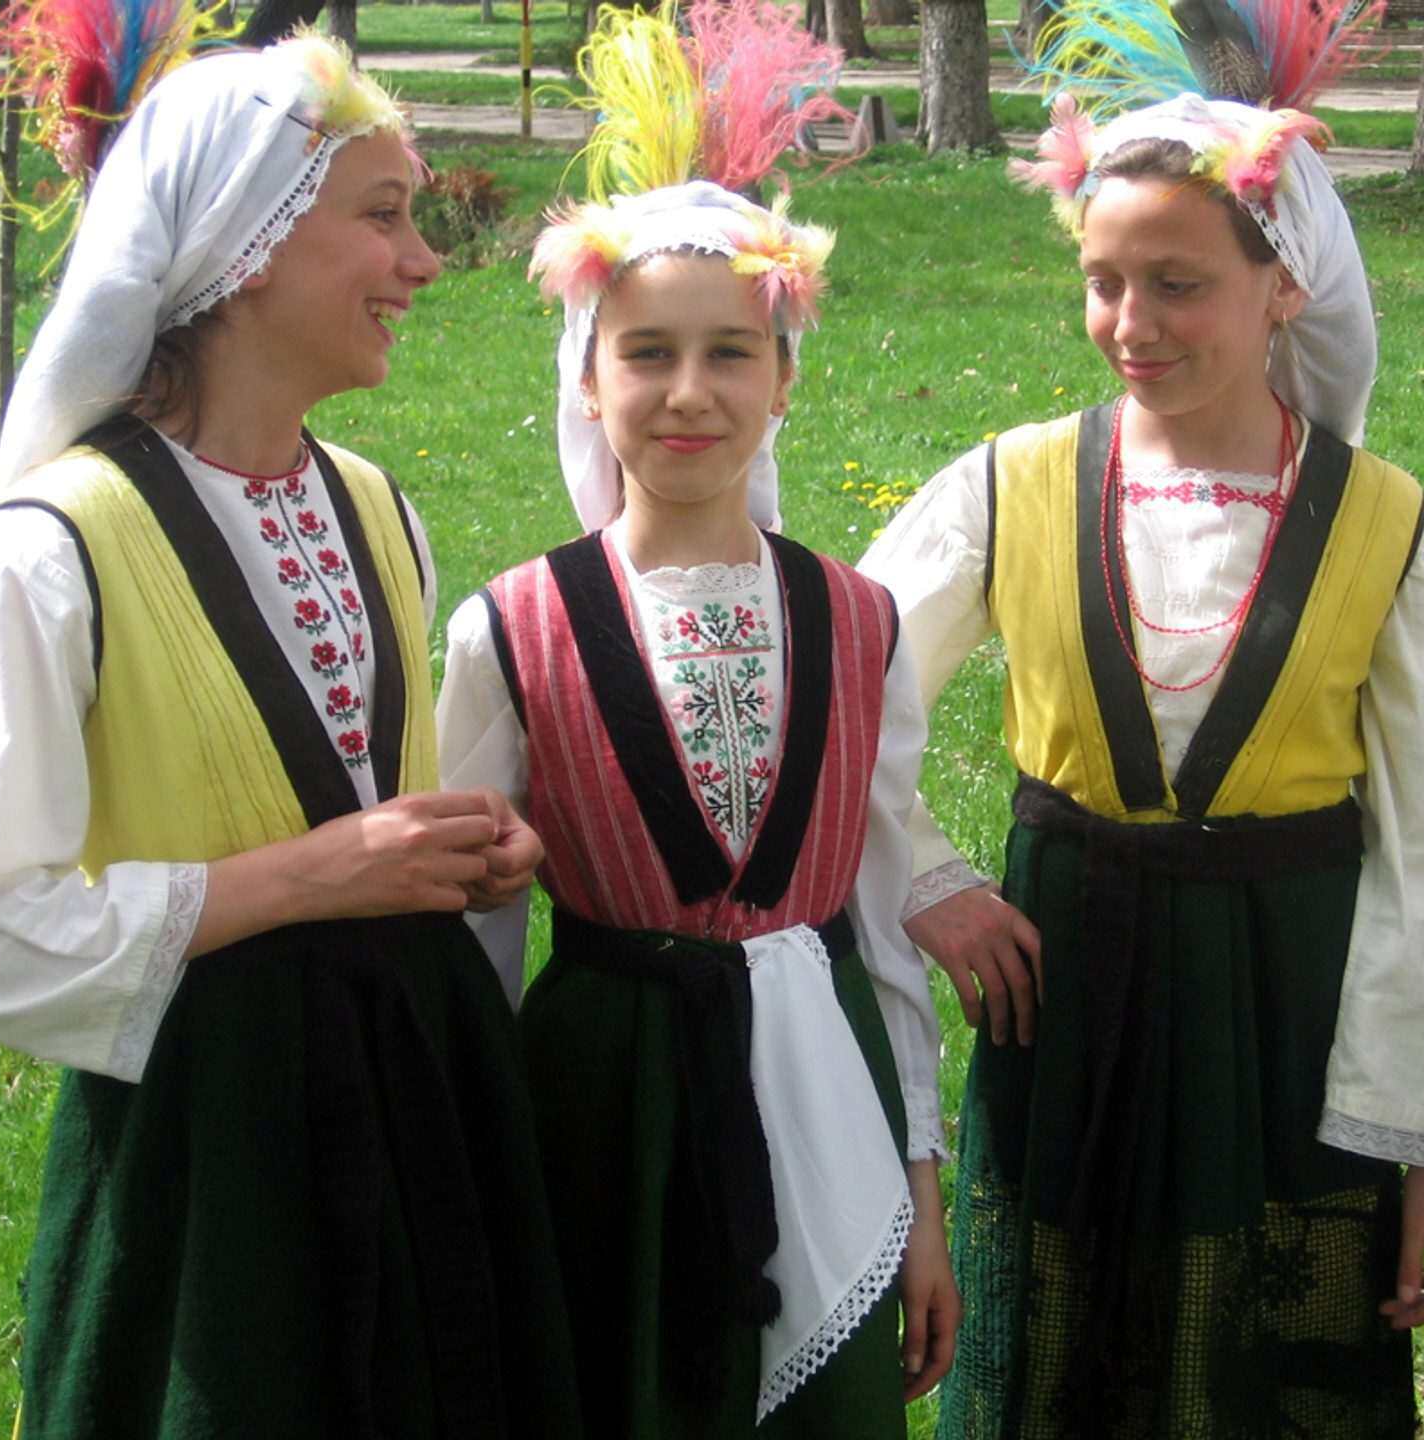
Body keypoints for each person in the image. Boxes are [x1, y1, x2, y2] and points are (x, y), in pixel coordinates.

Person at [857, 0, 1424, 1433]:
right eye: (1104, 282)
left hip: (1287, 1010)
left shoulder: (1383, 526)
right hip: (1071, 992)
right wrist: (927, 879)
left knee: (1268, 1354)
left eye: (1179, 284)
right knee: (1064, 1348)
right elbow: (841, 701)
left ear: (1286, 287)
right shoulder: (1010, 486)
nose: (1131, 325)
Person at [0, 19, 582, 1440]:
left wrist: (458, 853)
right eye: (381, 216)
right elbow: (0, 929)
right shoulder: (53, 550)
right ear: (243, 245)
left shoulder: (374, 505)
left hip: (417, 1098)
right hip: (207, 1153)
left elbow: (360, 795)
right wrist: (312, 875)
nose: (424, 261)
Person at [434, 5, 957, 1435]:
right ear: (585, 378)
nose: (687, 393)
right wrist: (474, 1188)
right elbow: (473, 941)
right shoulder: (513, 629)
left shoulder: (859, 622)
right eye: (646, 352)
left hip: (826, 1104)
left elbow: (883, 921)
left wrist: (921, 1191)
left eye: (731, 353)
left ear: (785, 377)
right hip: (606, 1115)